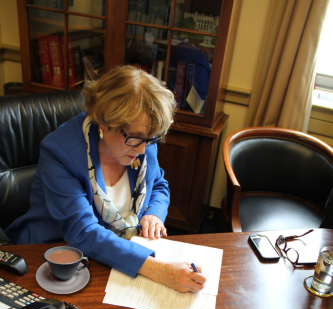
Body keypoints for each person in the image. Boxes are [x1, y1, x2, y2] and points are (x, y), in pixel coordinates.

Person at [6, 66, 206, 293]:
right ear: (104, 122)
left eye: (150, 140)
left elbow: (158, 184)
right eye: (135, 139)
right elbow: (83, 232)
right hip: (58, 261)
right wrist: (159, 270)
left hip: (120, 255)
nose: (142, 150)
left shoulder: (143, 139)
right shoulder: (60, 152)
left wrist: (153, 214)